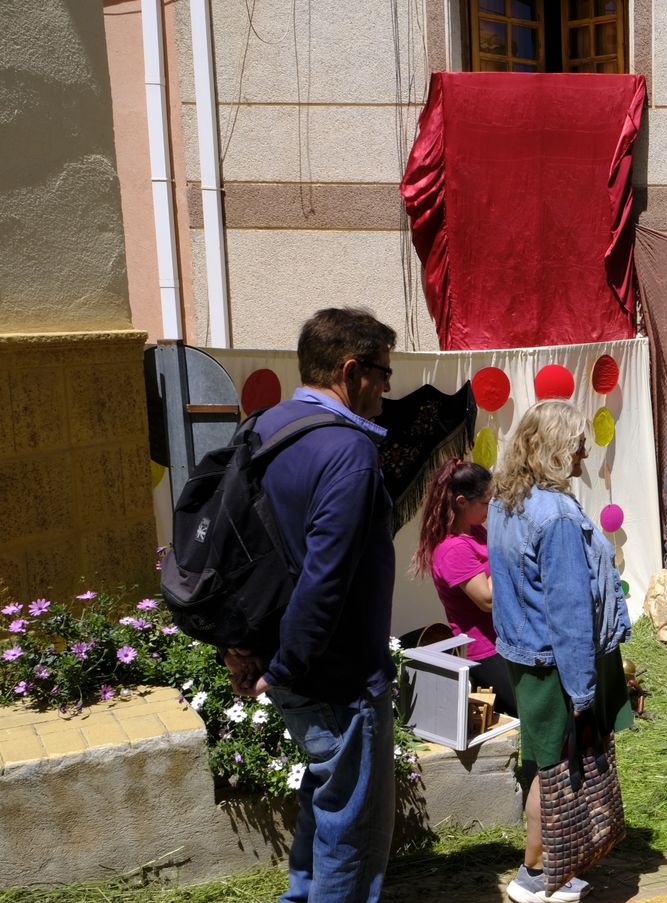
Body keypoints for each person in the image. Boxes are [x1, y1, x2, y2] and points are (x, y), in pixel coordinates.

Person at [223, 307, 399, 903]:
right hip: (336, 675)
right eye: (382, 373)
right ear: (351, 371)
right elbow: (326, 580)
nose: (387, 387)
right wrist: (286, 667)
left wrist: (244, 648)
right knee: (354, 828)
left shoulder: (263, 428)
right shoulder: (347, 451)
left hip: (285, 661)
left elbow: (231, 550)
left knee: (326, 801)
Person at [489, 400, 632, 903]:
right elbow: (570, 613)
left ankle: (546, 867)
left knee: (544, 763)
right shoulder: (557, 518)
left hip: (525, 656)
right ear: (554, 449)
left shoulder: (506, 501)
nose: (585, 449)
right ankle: (536, 874)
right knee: (557, 767)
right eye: (576, 442)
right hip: (558, 662)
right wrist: (583, 693)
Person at [410, 459, 516, 716]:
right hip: (485, 652)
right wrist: (505, 550)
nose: (489, 508)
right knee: (525, 714)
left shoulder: (476, 532)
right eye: (484, 502)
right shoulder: (453, 549)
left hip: (502, 640)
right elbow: (488, 599)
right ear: (461, 502)